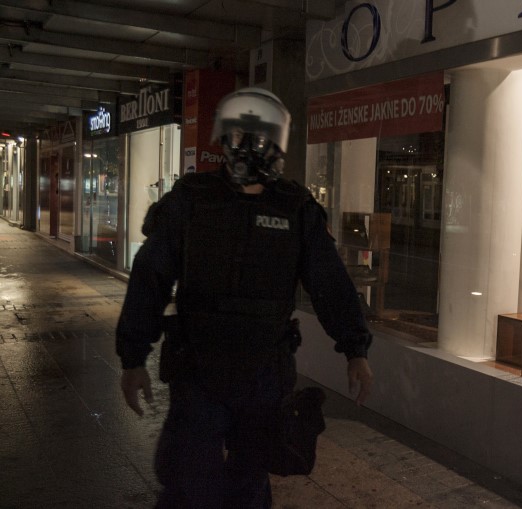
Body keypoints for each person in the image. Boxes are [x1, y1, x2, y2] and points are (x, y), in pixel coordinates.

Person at [116, 87, 374, 508]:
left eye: (259, 137)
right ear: (223, 139)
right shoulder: (191, 200)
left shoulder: (296, 209)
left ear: (277, 142)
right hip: (199, 364)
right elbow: (150, 280)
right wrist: (132, 358)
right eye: (239, 136)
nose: (249, 147)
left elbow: (331, 283)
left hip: (263, 371)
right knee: (187, 481)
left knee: (250, 482)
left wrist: (355, 348)